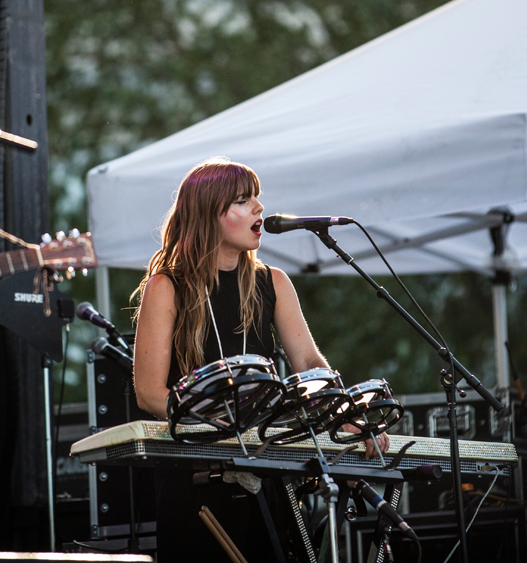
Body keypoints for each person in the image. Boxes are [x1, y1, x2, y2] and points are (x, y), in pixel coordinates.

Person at [132, 157, 388, 560]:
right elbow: (149, 393)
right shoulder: (166, 287)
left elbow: (308, 364)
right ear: (207, 214)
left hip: (267, 470)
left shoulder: (274, 282)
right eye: (242, 200)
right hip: (196, 478)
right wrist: (214, 426)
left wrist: (343, 414)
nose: (259, 208)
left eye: (258, 198)